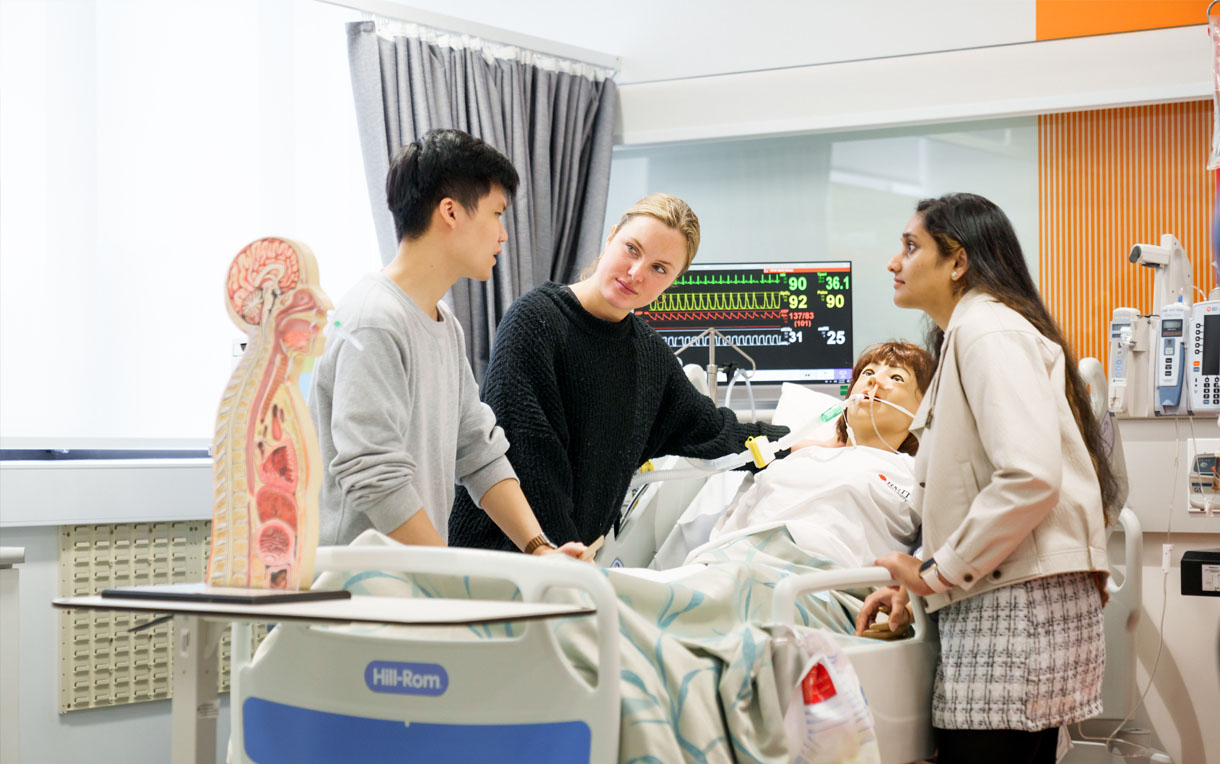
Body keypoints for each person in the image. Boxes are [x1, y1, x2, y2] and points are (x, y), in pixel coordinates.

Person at [858, 193, 1119, 763]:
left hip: (1017, 607)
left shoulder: (988, 332)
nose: (893, 262)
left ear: (957, 261)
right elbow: (964, 490)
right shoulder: (970, 335)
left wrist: (935, 573)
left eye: (910, 246)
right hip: (1006, 595)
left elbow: (1028, 478)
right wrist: (915, 587)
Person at [448, 193, 789, 551]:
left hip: (570, 559)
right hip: (502, 555)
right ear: (611, 237)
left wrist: (792, 443)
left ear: (673, 281)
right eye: (632, 249)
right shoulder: (535, 321)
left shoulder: (650, 357)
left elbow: (714, 430)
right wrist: (562, 554)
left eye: (660, 268)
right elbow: (531, 459)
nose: (636, 273)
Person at [309, 128, 584, 558]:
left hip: (408, 579)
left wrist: (540, 549)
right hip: (354, 588)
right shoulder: (370, 319)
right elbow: (373, 475)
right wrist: (447, 576)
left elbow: (478, 449)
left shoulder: (443, 324)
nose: (503, 235)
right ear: (451, 212)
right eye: (496, 213)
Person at [705, 341, 934, 569]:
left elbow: (937, 552)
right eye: (868, 372)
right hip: (734, 566)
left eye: (896, 378)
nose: (875, 380)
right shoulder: (796, 458)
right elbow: (725, 536)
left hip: (818, 582)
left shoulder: (915, 474)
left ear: (924, 411)